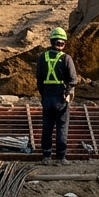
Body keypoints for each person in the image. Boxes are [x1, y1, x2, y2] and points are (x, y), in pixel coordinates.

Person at [35, 27, 78, 165]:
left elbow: (39, 80)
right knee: (62, 127)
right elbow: (73, 80)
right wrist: (67, 92)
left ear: (51, 42)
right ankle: (61, 158)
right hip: (61, 98)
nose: (61, 45)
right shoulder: (66, 58)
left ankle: (46, 157)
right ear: (63, 44)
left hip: (47, 97)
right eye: (61, 43)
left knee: (47, 127)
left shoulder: (42, 57)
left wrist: (44, 95)